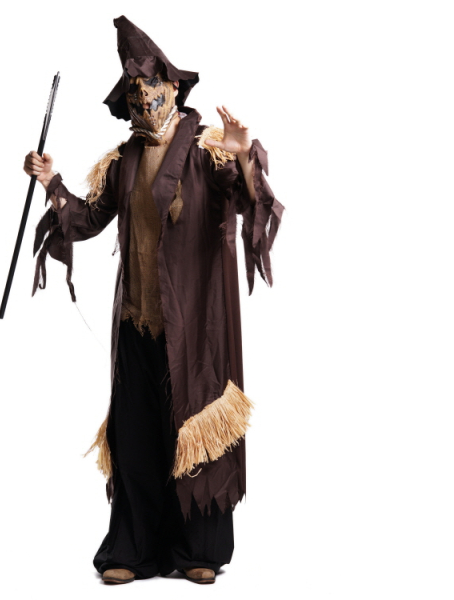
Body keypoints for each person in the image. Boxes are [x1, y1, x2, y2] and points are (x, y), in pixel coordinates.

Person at [23, 15, 284, 585]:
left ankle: (198, 549)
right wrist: (51, 183)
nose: (145, 99)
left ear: (173, 88)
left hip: (194, 326)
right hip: (137, 320)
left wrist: (242, 154)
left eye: (153, 87)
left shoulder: (206, 151)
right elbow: (88, 219)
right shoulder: (123, 161)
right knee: (138, 434)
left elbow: (247, 202)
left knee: (195, 428)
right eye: (136, 91)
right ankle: (134, 548)